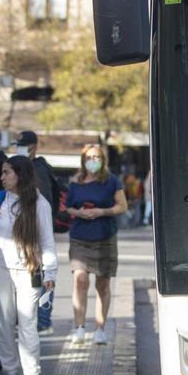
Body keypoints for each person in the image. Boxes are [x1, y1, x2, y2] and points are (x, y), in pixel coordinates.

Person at [0, 156, 57, 375]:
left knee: (27, 323)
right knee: (3, 323)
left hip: (28, 269)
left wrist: (51, 272)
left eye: (7, 172)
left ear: (20, 174)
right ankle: (12, 373)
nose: (2, 177)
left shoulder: (38, 203)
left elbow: (47, 241)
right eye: (2, 172)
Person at [65, 144, 126, 346]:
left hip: (104, 237)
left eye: (96, 157)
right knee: (80, 280)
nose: (93, 160)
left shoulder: (111, 181)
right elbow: (67, 208)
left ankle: (100, 328)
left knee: (103, 284)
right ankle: (79, 327)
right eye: (89, 157)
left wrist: (101, 212)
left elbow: (122, 206)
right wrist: (79, 212)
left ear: (103, 160)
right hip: (80, 237)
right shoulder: (75, 183)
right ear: (83, 160)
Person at [16, 131, 61, 334]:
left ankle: (43, 320)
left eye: (23, 144)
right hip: (27, 230)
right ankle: (37, 319)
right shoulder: (25, 166)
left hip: (37, 231)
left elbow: (46, 203)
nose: (19, 147)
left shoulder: (39, 169)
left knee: (41, 274)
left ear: (34, 146)